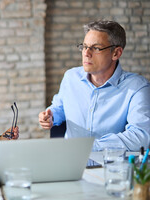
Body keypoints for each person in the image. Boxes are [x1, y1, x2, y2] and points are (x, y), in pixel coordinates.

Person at [39, 20, 150, 151]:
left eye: (96, 48)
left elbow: (140, 137)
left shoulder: (137, 87)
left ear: (116, 53)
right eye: (84, 46)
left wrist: (91, 147)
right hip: (69, 162)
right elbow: (60, 108)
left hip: (110, 167)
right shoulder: (70, 77)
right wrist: (50, 116)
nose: (86, 53)